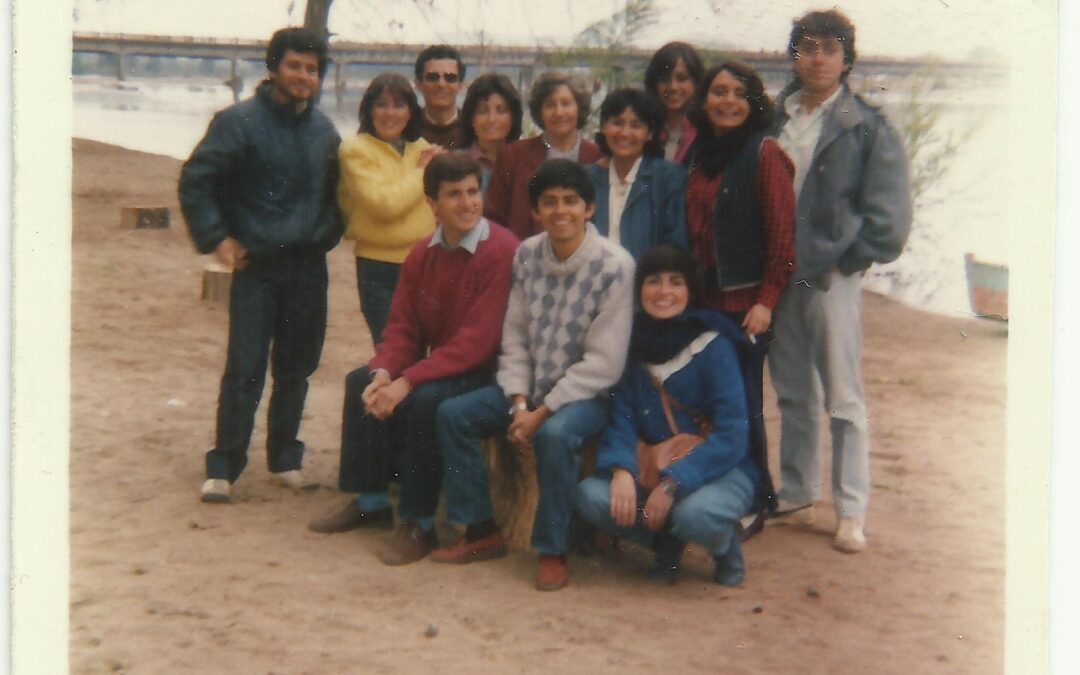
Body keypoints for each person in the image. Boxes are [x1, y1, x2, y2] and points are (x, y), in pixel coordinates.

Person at [432, 159, 635, 591]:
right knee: (454, 414)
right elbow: (516, 336)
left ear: (590, 208)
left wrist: (541, 414)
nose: (560, 211)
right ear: (537, 211)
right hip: (530, 392)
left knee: (556, 436)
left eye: (570, 201)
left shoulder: (615, 265)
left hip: (588, 396)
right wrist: (520, 400)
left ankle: (552, 550)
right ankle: (480, 530)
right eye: (549, 202)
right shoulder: (527, 255)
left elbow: (605, 363)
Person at [308, 154, 519, 565]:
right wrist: (385, 372)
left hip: (490, 374)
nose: (466, 203)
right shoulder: (423, 253)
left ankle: (419, 522)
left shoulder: (501, 251)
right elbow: (403, 328)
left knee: (424, 400)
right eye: (453, 194)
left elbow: (477, 342)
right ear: (432, 204)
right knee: (360, 382)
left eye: (473, 192)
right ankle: (371, 500)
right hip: (444, 368)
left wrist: (408, 381)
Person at [767, 9, 911, 553]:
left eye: (829, 49)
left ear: (846, 59)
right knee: (794, 392)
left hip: (831, 277)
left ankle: (851, 511)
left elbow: (890, 216)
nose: (817, 58)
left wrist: (848, 261)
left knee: (843, 396)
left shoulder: (865, 124)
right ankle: (799, 494)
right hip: (782, 276)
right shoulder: (776, 117)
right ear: (795, 55)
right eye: (807, 47)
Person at [179, 27, 342, 503]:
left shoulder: (325, 132)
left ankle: (285, 459)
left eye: (312, 70)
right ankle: (224, 467)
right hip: (257, 268)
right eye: (294, 66)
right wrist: (216, 239)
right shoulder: (238, 121)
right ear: (274, 68)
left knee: (297, 368)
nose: (303, 77)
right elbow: (196, 180)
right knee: (245, 367)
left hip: (309, 268)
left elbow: (339, 196)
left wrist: (327, 232)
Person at [575, 245, 762, 586]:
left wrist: (675, 481)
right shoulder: (634, 344)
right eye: (653, 282)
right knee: (591, 496)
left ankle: (724, 547)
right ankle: (666, 544)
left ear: (690, 290)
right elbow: (622, 417)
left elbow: (733, 435)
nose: (664, 292)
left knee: (695, 514)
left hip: (718, 468)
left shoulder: (714, 344)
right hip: (655, 468)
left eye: (676, 282)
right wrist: (620, 469)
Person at [682, 60, 796, 521]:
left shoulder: (764, 152)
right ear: (704, 99)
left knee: (742, 405)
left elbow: (783, 239)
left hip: (743, 306)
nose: (727, 101)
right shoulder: (697, 152)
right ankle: (717, 491)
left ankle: (754, 499)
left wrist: (766, 301)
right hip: (702, 303)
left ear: (753, 104)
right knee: (706, 401)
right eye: (718, 91)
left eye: (738, 94)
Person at [339, 73, 443, 344]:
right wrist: (422, 172)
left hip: (424, 263)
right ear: (369, 109)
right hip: (379, 268)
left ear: (410, 111)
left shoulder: (420, 148)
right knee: (393, 352)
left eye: (398, 105)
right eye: (381, 104)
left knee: (423, 349)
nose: (390, 113)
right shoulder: (355, 150)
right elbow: (384, 205)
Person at [485, 72, 603, 240]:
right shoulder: (513, 156)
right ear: (539, 112)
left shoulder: (598, 158)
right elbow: (493, 220)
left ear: (579, 108)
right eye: (550, 105)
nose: (559, 112)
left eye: (566, 103)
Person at [586, 87, 688, 260]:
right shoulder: (587, 178)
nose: (625, 133)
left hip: (647, 281)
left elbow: (676, 246)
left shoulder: (668, 178)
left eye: (636, 125)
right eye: (617, 123)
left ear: (649, 133)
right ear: (604, 127)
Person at [459, 73, 524, 195]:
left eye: (501, 110)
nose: (492, 119)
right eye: (483, 111)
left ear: (513, 116)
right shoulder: (455, 163)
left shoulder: (525, 162)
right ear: (470, 117)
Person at [644, 41, 705, 164]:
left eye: (681, 79)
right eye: (664, 79)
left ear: (696, 83)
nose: (673, 87)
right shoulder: (644, 129)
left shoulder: (706, 132)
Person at [415, 44, 465, 148]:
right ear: (418, 84)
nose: (441, 84)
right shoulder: (406, 130)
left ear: (460, 86)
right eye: (432, 77)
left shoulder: (473, 130)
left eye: (450, 78)